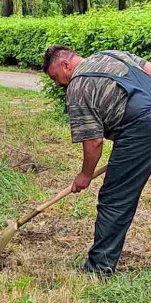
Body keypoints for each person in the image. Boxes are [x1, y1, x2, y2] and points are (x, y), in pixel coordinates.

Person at [43, 45, 151, 276]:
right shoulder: (112, 55)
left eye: (55, 77)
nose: (57, 83)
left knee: (115, 200)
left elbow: (94, 142)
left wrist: (84, 175)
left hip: (141, 128)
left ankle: (98, 269)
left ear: (65, 65)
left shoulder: (78, 86)